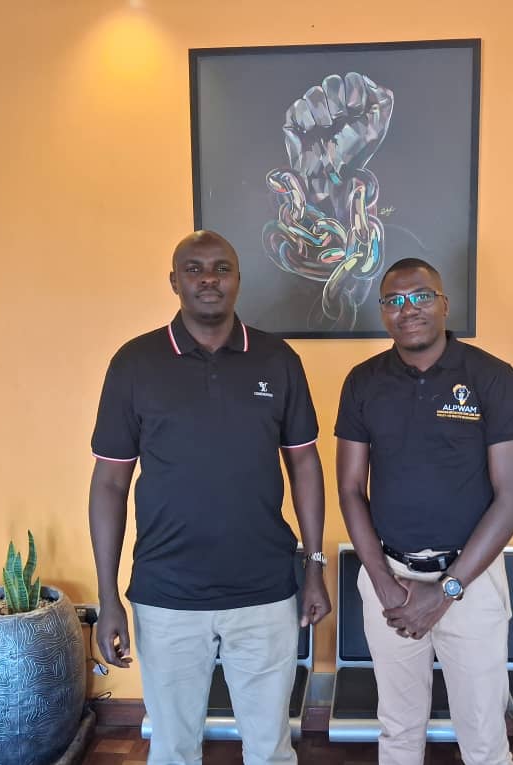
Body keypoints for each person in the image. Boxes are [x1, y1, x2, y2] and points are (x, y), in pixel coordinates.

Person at [89, 230, 331, 765]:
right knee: (173, 751)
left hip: (265, 591)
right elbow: (109, 483)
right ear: (173, 281)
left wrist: (314, 566)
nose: (208, 279)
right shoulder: (135, 363)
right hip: (167, 595)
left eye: (221, 268)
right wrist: (108, 598)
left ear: (238, 279)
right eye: (194, 269)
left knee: (271, 750)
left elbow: (305, 464)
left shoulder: (277, 359)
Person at [335, 257, 513, 765]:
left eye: (421, 296)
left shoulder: (491, 377)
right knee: (398, 730)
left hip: (472, 582)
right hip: (391, 582)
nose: (409, 309)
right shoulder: (362, 382)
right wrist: (383, 582)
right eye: (394, 301)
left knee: (485, 740)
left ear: (444, 304)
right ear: (383, 312)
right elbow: (351, 489)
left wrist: (447, 590)